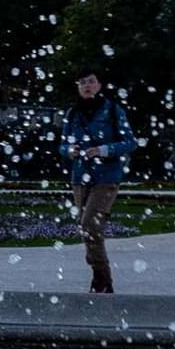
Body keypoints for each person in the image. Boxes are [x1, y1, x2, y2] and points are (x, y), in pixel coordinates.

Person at [57, 70, 137, 295]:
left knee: (90, 224)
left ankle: (101, 277)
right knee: (88, 229)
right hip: (80, 178)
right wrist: (70, 151)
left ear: (100, 85)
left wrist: (103, 150)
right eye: (82, 82)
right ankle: (101, 278)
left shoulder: (112, 110)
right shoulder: (73, 113)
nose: (86, 86)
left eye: (91, 81)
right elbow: (62, 145)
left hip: (106, 177)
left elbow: (129, 142)